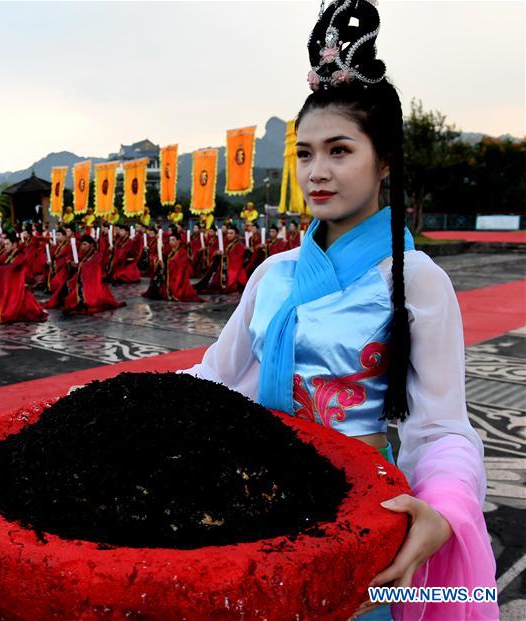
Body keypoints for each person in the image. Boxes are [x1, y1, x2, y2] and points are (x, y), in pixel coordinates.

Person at [182, 2, 496, 619]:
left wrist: (447, 504)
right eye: (303, 154)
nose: (316, 173)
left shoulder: (417, 281)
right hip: (254, 500)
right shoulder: (274, 275)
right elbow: (210, 382)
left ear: (384, 163)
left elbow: (440, 427)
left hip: (357, 514)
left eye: (339, 151)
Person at [0, 237, 47, 325]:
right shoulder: (8, 254)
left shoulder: (21, 254)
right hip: (10, 283)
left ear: (14, 244)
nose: (5, 247)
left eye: (7, 244)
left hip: (18, 285)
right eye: (5, 244)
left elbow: (11, 268)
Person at [45, 234, 124, 315]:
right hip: (80, 282)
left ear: (92, 245)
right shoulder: (84, 256)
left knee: (73, 300)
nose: (82, 247)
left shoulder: (98, 256)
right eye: (82, 244)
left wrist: (110, 251)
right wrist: (72, 264)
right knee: (65, 288)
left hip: (92, 285)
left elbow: (96, 267)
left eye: (85, 244)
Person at [143, 236, 201, 302]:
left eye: (173, 240)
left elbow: (180, 266)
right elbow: (163, 257)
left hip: (178, 278)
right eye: (170, 240)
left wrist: (167, 264)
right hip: (169, 275)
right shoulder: (170, 251)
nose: (170, 242)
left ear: (178, 241)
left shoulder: (183, 252)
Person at [195, 225, 248, 295]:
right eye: (228, 233)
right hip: (224, 268)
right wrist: (217, 253)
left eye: (231, 233)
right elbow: (218, 251)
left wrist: (225, 255)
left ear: (236, 235)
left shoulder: (239, 246)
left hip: (234, 269)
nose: (229, 235)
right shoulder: (226, 243)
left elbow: (236, 259)